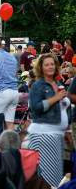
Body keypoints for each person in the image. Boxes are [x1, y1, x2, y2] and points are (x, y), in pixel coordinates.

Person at [27, 53, 69, 187]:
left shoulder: (58, 83)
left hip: (57, 135)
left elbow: (64, 108)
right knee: (46, 178)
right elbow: (36, 108)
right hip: (43, 135)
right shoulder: (38, 85)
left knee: (56, 177)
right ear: (41, 67)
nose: (50, 67)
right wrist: (56, 98)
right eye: (46, 64)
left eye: (52, 64)